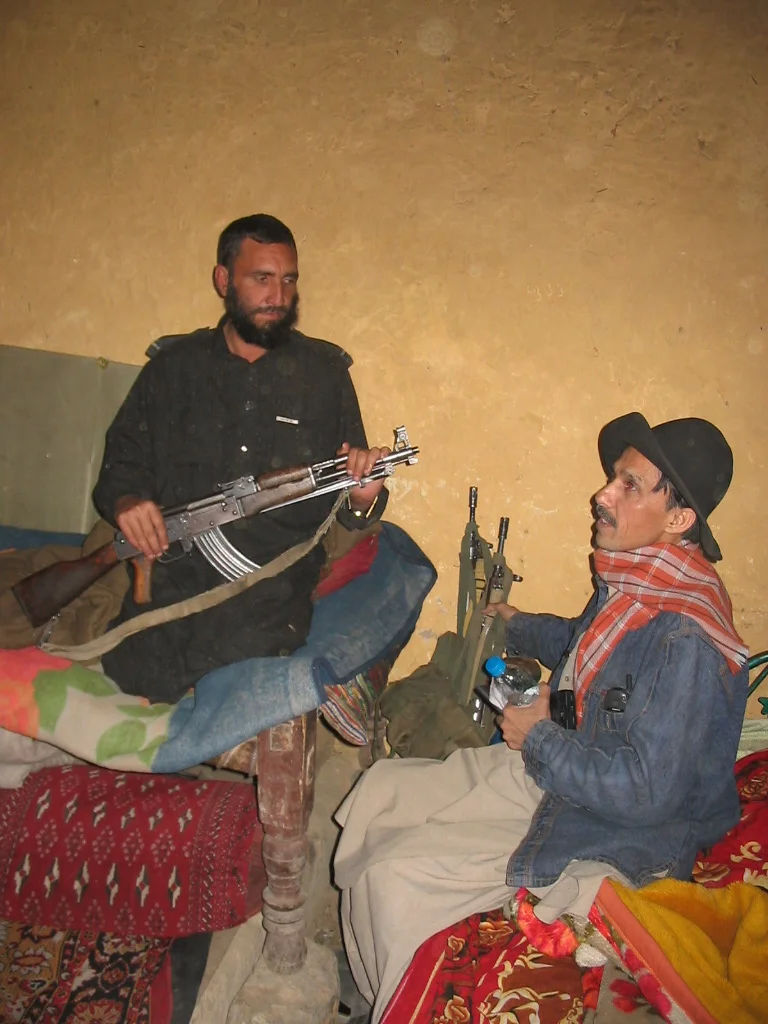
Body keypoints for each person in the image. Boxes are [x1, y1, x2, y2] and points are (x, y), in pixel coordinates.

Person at [333, 411, 749, 1021]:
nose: (602, 494)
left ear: (680, 518)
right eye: (615, 478)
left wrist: (540, 740)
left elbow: (646, 793)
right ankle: (376, 980)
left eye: (629, 485)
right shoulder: (646, 583)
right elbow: (588, 643)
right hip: (570, 774)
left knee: (398, 878)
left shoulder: (684, 637)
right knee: (381, 790)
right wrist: (516, 622)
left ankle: (391, 1000)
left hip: (619, 827)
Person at [93, 213, 389, 703]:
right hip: (172, 579)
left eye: (288, 280)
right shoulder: (172, 369)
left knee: (242, 681)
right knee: (134, 670)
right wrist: (129, 502)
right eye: (262, 279)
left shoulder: (325, 375)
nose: (278, 295)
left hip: (270, 590)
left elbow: (351, 496)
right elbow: (122, 461)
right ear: (223, 280)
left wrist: (362, 497)